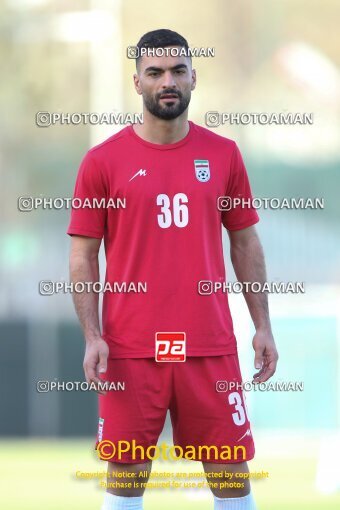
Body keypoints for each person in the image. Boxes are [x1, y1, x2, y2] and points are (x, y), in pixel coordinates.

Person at [68, 28, 278, 510]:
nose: (168, 81)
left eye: (178, 71)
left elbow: (245, 243)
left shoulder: (224, 155)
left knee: (230, 476)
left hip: (209, 345)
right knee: (125, 477)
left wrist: (263, 325)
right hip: (130, 348)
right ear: (137, 82)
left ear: (193, 78)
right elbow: (83, 256)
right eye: (155, 72)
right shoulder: (102, 162)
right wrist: (92, 335)